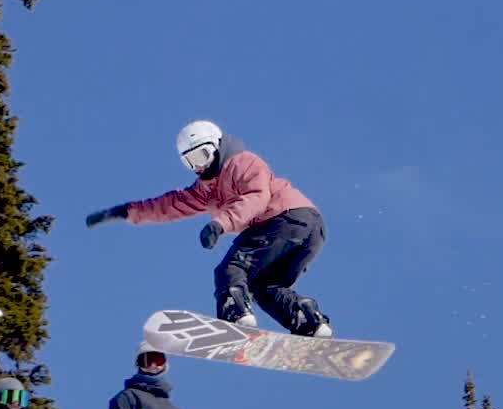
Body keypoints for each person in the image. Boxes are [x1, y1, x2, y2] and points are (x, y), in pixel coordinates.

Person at [86, 120, 332, 337]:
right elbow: (167, 205)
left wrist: (220, 224)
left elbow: (256, 196)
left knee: (233, 269)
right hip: (307, 233)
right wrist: (124, 211)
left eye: (202, 156)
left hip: (287, 219)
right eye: (191, 162)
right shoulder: (205, 191)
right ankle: (308, 321)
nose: (199, 167)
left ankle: (235, 315)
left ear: (216, 146)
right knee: (265, 287)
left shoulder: (242, 162)